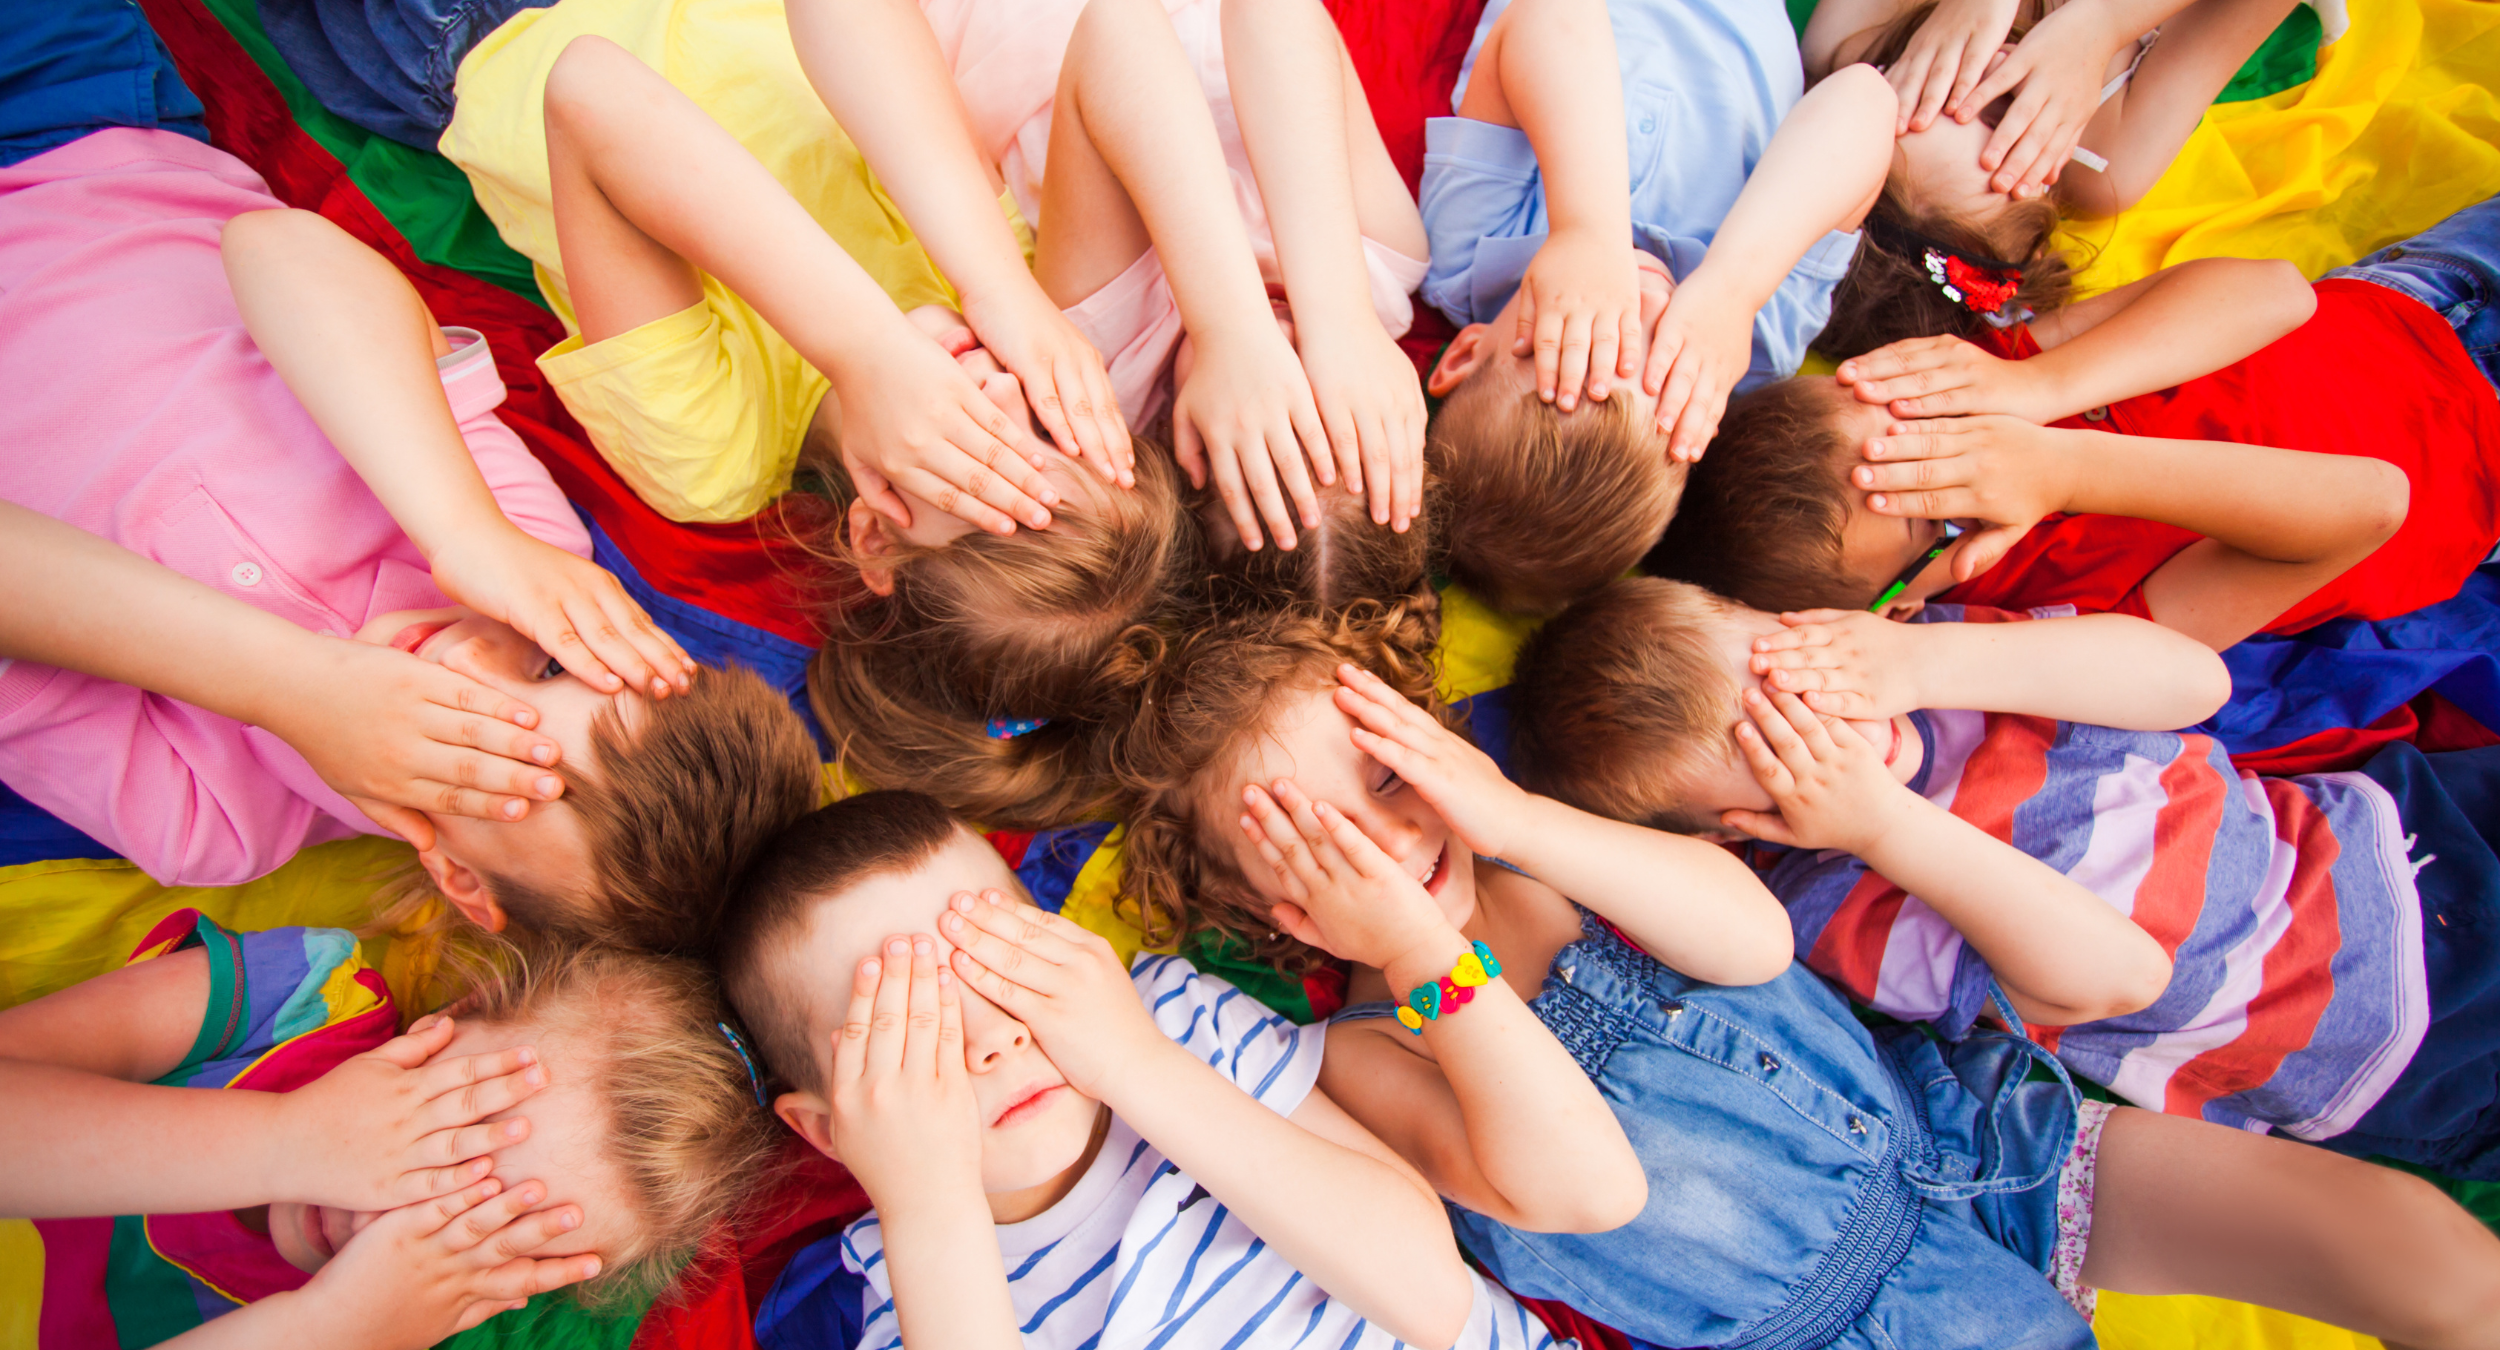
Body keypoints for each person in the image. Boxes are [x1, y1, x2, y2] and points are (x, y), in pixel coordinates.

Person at [1111, 604, 2500, 1347]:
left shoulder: (1549, 855)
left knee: (2430, 1255)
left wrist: (1512, 815)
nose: (1387, 837)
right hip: (1839, 1325)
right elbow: (1580, 1188)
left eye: (1381, 777)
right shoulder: (1372, 1049)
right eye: (1314, 841)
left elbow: (1752, 939)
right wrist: (1425, 954)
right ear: (1271, 906)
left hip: (1969, 1140)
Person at [0, 127, 820, 950]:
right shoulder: (527, 553)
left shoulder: (212, 819)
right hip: (83, 161)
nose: (468, 665)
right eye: (550, 667)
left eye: (483, 750)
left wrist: (291, 688)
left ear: (460, 879)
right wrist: (463, 530)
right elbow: (274, 247)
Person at [1512, 577, 2500, 1180]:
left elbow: (2193, 682)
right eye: (1773, 749)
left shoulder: (1939, 653)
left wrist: (1926, 657)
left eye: (1784, 677)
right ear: (1739, 832)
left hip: (2412, 831)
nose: (1829, 726)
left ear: (1790, 618)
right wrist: (1883, 822)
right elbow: (2120, 980)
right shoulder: (1845, 908)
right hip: (2402, 1034)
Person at [712, 790, 1563, 1349]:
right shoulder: (915, 1281)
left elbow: (1430, 1293)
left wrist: (1134, 1063)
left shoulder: (1172, 1026)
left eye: (1001, 964)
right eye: (909, 1030)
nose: (992, 1039)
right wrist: (927, 1206)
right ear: (828, 1129)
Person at [269, 0, 1134, 532]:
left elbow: (591, 91)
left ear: (878, 534)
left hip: (477, 26)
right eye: (1060, 431)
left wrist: (867, 352)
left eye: (987, 464)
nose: (1004, 400)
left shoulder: (717, 457)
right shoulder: (995, 296)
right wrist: (1001, 285)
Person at [1659, 199, 2500, 652]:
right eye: (1939, 499)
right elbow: (2372, 501)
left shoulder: (1997, 373)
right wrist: (2063, 470)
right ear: (1899, 607)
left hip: (2431, 299)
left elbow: (2279, 293)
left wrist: (2040, 383)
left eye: (1916, 422)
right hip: (2480, 485)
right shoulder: (2065, 622)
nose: (1975, 451)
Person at [0, 912, 778, 1347]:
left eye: (482, 1227)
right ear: (451, 1021)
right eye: (448, 1137)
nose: (389, 1214)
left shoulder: (402, 1326)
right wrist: (285, 1139)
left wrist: (327, 1330)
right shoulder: (299, 1004)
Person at [1416, 0, 1894, 612]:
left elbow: (1553, 15)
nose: (1638, 303)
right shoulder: (1751, 345)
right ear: (1698, 423)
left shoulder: (1467, 260)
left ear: (1466, 352)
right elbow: (1864, 99)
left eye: (1578, 333)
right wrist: (1733, 287)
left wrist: (1585, 228)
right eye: (1658, 369)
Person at [1803, 0, 2304, 216]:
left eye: (1936, 92)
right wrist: (2103, 23)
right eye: (2008, 118)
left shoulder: (1851, 44)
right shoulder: (2108, 163)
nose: (1989, 77)